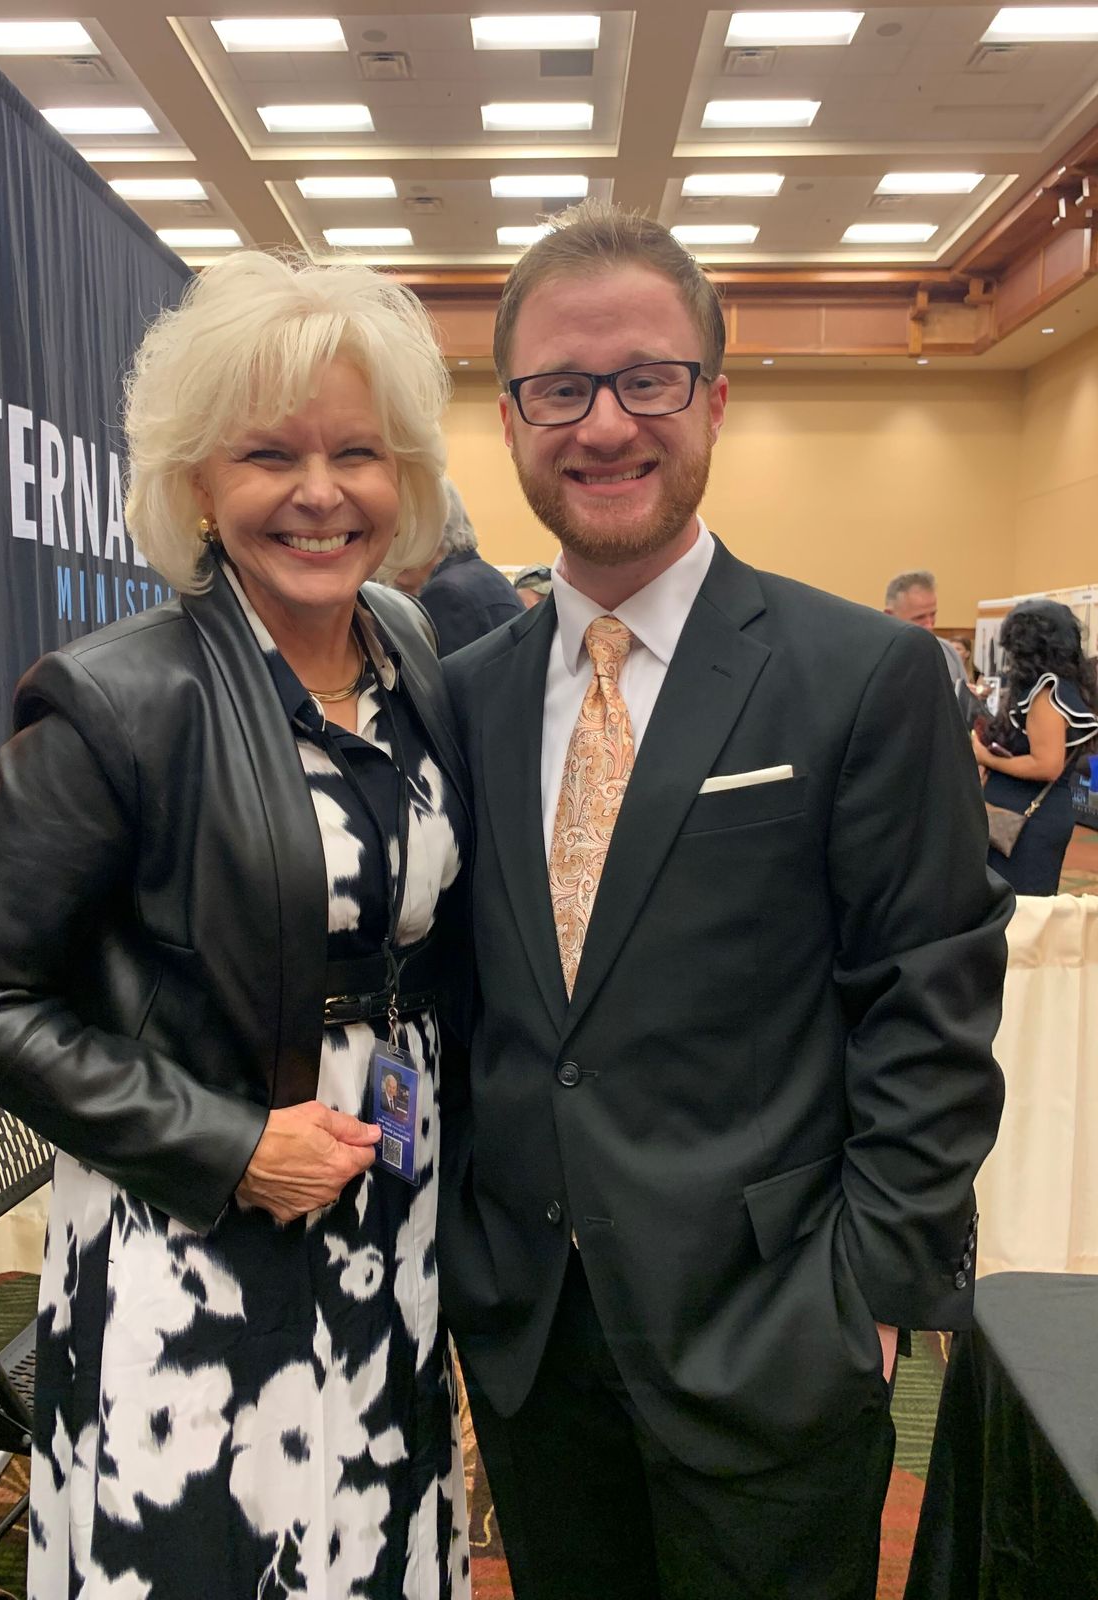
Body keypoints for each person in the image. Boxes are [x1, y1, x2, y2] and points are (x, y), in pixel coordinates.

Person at [437, 202, 1012, 1600]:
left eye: (648, 379)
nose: (605, 424)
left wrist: (868, 1297)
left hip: (776, 1335)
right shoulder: (462, 699)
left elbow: (928, 1009)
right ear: (509, 420)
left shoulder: (862, 677)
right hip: (532, 1343)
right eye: (560, 389)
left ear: (715, 397)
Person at [0, 253, 472, 1599]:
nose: (321, 491)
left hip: (393, 1214)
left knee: (374, 1548)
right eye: (270, 454)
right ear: (198, 485)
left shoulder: (409, 654)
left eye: (356, 451)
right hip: (197, 1254)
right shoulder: (117, 699)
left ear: (403, 473)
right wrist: (228, 1146)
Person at [973, 598, 1098, 894]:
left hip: (1026, 823)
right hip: (1023, 817)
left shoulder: (1046, 692)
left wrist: (986, 757)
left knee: (1020, 907)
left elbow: (1047, 765)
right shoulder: (1059, 686)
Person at [394, 479, 522, 654]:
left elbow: (443, 671)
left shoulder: (445, 594)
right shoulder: (487, 575)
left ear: (430, 531)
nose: (392, 548)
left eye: (400, 532)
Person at [884, 569, 967, 689]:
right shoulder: (878, 660)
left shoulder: (948, 652)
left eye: (933, 615)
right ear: (890, 616)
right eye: (919, 617)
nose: (929, 625)